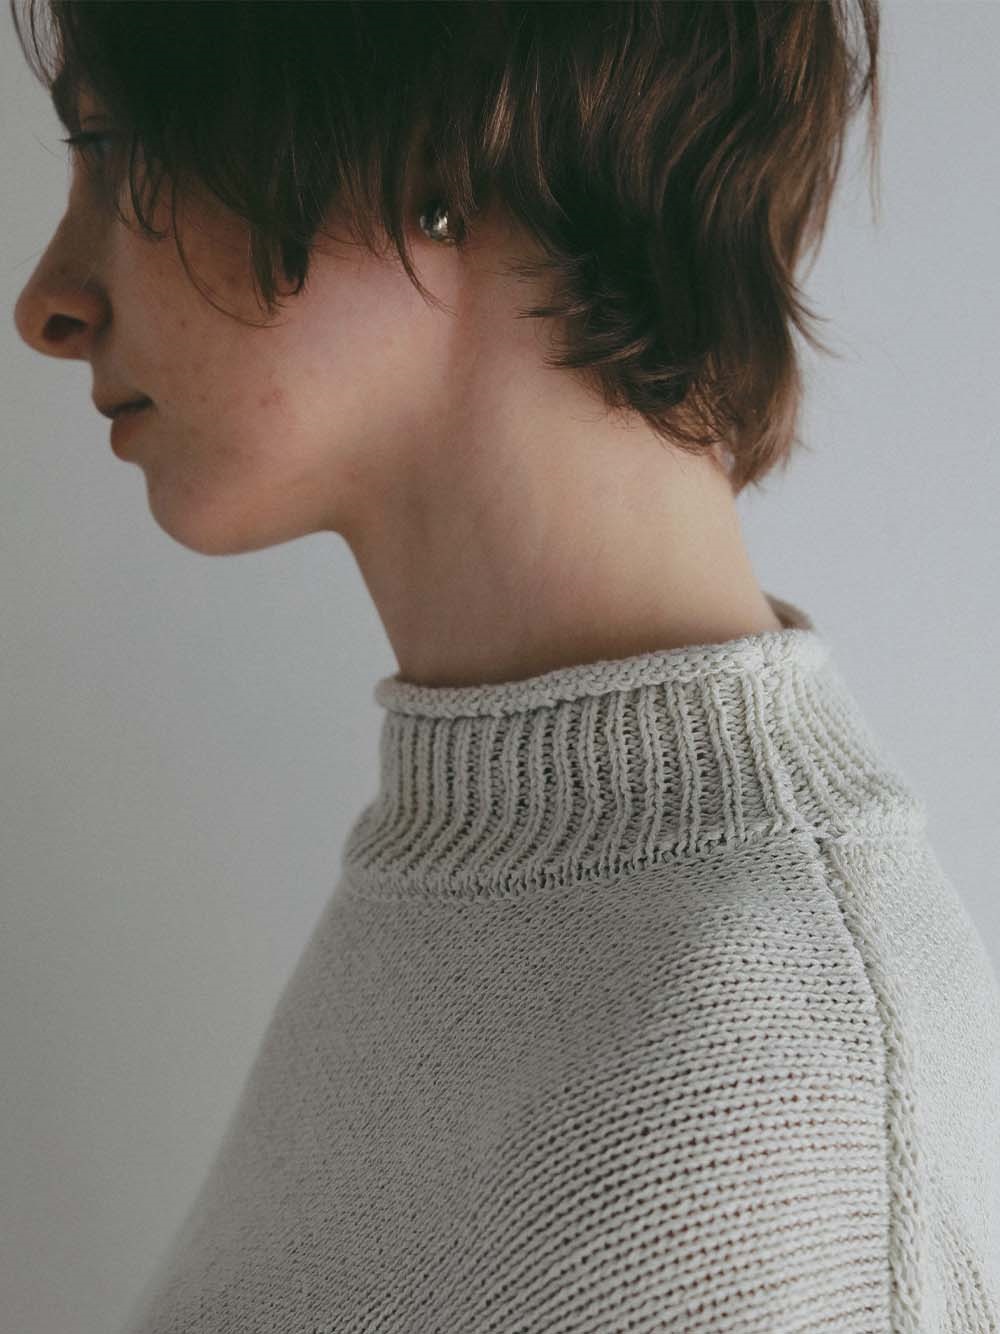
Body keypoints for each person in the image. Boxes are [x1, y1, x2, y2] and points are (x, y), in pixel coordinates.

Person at [12, 3, 1000, 1331]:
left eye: (117, 149)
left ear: (440, 144)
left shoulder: (765, 1120)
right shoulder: (493, 880)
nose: (46, 302)